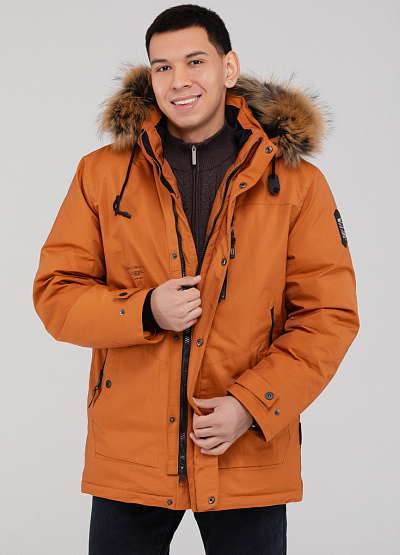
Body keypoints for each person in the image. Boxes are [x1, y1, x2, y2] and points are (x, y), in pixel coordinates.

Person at [33, 4, 359, 554]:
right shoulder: (102, 173)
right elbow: (55, 293)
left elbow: (329, 317)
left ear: (228, 68)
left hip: (246, 453)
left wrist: (252, 406)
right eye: (162, 67)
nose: (178, 80)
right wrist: (144, 311)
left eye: (195, 61)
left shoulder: (297, 183)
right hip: (132, 456)